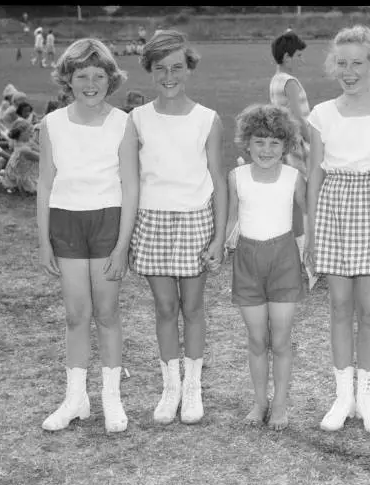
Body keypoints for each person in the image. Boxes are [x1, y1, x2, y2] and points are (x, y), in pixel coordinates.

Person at [304, 25, 370, 434]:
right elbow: (314, 175)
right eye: (342, 63)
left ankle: (367, 398)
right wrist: (312, 230)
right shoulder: (321, 114)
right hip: (333, 209)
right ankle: (342, 396)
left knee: (369, 309)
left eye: (357, 63)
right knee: (338, 307)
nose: (348, 71)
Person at [37, 38, 139, 434]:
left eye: (99, 76)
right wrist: (44, 240)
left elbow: (130, 187)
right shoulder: (52, 124)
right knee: (76, 315)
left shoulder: (123, 122)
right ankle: (76, 399)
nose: (90, 83)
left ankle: (112, 399)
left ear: (110, 79)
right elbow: (46, 184)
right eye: (82, 76)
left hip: (107, 221)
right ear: (68, 79)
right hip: (65, 221)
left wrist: (122, 244)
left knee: (107, 314)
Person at [130, 30, 226, 425]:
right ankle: (170, 386)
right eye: (160, 68)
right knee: (165, 308)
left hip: (195, 221)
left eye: (176, 67)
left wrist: (220, 237)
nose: (169, 75)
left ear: (189, 68)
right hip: (152, 220)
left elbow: (219, 180)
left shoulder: (207, 119)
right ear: (150, 70)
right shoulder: (136, 119)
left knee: (193, 307)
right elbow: (131, 179)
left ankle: (192, 387)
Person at [225, 103, 306, 430]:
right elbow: (232, 218)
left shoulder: (294, 177)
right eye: (259, 141)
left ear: (286, 146)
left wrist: (310, 251)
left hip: (284, 261)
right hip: (247, 261)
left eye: (275, 143)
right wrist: (222, 243)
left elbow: (308, 216)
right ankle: (260, 402)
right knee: (257, 338)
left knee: (281, 339)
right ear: (247, 142)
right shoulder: (236, 177)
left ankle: (281, 404)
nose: (267, 149)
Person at [269, 30, 311, 263]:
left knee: (295, 197)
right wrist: (312, 142)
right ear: (287, 57)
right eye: (299, 56)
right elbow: (297, 116)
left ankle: (296, 245)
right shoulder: (290, 82)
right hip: (298, 144)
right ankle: (304, 246)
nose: (302, 60)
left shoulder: (276, 80)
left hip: (287, 142)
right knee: (305, 196)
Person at [0, 118, 39, 194]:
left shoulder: (19, 142)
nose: (32, 134)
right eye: (29, 132)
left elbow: (40, 149)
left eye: (32, 132)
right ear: (21, 133)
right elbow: (43, 158)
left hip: (17, 173)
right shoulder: (24, 150)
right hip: (23, 178)